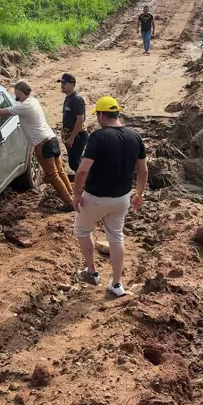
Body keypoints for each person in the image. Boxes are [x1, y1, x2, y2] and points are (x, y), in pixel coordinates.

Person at [73, 96, 148, 297]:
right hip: (122, 199)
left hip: (95, 198)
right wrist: (139, 193)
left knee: (82, 230)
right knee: (116, 236)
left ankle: (92, 272)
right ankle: (116, 284)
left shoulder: (98, 137)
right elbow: (143, 170)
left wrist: (76, 194)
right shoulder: (135, 136)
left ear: (101, 115)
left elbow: (82, 170)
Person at [0, 81, 74, 211]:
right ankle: (72, 195)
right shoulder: (32, 101)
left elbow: (1, 112)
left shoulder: (24, 107)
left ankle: (70, 203)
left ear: (19, 92)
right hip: (51, 139)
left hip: (43, 144)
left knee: (52, 175)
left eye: (15, 91)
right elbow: (8, 109)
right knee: (59, 171)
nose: (14, 93)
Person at [58, 73, 88, 173]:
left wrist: (72, 138)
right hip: (71, 135)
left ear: (72, 84)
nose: (62, 85)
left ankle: (88, 178)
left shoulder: (76, 99)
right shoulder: (68, 98)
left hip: (78, 136)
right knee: (74, 163)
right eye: (61, 83)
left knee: (75, 163)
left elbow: (80, 119)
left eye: (64, 83)